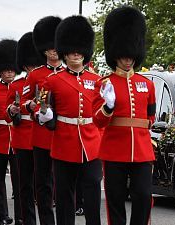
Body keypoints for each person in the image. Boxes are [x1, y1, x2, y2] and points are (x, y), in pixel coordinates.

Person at [93, 6, 156, 225]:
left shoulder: (147, 84)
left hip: (141, 149)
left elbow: (151, 116)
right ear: (115, 56)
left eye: (131, 56)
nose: (127, 60)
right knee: (115, 199)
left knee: (144, 196)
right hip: (114, 149)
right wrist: (108, 106)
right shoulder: (104, 84)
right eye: (123, 56)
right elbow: (97, 120)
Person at [37, 15, 102, 225]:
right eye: (72, 49)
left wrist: (109, 106)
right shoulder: (52, 80)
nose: (76, 53)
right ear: (65, 51)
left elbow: (102, 113)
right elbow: (41, 108)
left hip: (91, 142)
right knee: (65, 196)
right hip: (64, 141)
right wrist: (43, 115)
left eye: (79, 48)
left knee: (92, 187)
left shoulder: (96, 80)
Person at [21, 16, 62, 225]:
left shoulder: (70, 73)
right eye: (49, 47)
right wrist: (34, 108)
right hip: (42, 135)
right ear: (44, 50)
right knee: (43, 185)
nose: (53, 50)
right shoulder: (35, 75)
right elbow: (25, 102)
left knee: (63, 184)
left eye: (56, 45)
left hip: (64, 136)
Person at [6, 32, 43, 225]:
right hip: (22, 139)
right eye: (29, 65)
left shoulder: (45, 81)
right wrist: (12, 110)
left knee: (43, 185)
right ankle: (25, 219)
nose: (32, 68)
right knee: (24, 185)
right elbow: (7, 113)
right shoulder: (16, 85)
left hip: (41, 136)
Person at [0, 39, 22, 225]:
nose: (9, 73)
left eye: (11, 70)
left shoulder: (22, 88)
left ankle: (21, 215)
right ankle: (2, 215)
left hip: (19, 138)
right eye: (6, 70)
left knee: (20, 180)